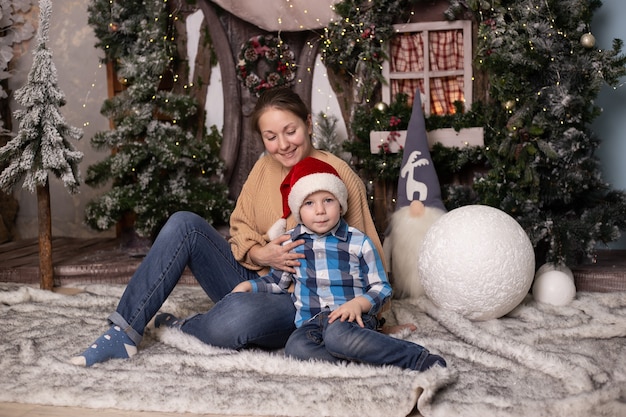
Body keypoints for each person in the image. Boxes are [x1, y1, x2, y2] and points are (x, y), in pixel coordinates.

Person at [70, 87, 387, 367]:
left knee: (233, 321)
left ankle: (188, 325)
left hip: (304, 300)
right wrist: (263, 254)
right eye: (271, 137)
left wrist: (372, 319)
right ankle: (123, 332)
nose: (283, 145)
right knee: (185, 224)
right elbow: (239, 229)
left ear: (308, 123)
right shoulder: (264, 168)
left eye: (290, 131)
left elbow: (370, 257)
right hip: (251, 280)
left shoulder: (339, 176)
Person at [226, 157, 446, 371]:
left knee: (337, 335)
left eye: (328, 200)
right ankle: (367, 360)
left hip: (349, 319)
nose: (320, 210)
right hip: (311, 322)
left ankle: (416, 358)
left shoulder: (358, 241)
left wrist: (358, 304)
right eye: (309, 203)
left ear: (340, 205)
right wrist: (249, 286)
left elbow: (382, 288)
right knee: (296, 348)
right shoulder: (292, 242)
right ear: (299, 211)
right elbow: (278, 281)